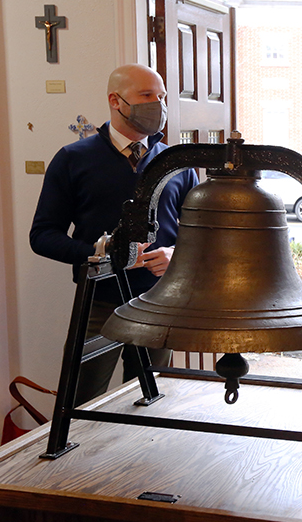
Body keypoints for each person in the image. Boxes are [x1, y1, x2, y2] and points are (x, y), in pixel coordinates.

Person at [30, 64, 199, 407]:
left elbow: (201, 235)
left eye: (162, 96)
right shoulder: (72, 159)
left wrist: (175, 257)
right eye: (147, 96)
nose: (159, 104)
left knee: (151, 402)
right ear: (116, 101)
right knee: (80, 403)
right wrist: (99, 253)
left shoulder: (176, 162)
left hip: (159, 302)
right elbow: (43, 235)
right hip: (99, 301)